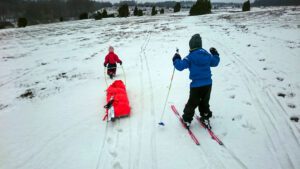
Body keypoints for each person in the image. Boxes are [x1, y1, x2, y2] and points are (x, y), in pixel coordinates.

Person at [172, 34, 220, 129]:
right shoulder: (207, 55)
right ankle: (205, 116)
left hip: (196, 86)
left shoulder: (190, 57)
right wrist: (215, 54)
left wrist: (176, 59)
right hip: (208, 84)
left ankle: (187, 120)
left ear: (191, 46)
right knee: (204, 102)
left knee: (192, 103)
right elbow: (215, 62)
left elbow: (180, 66)